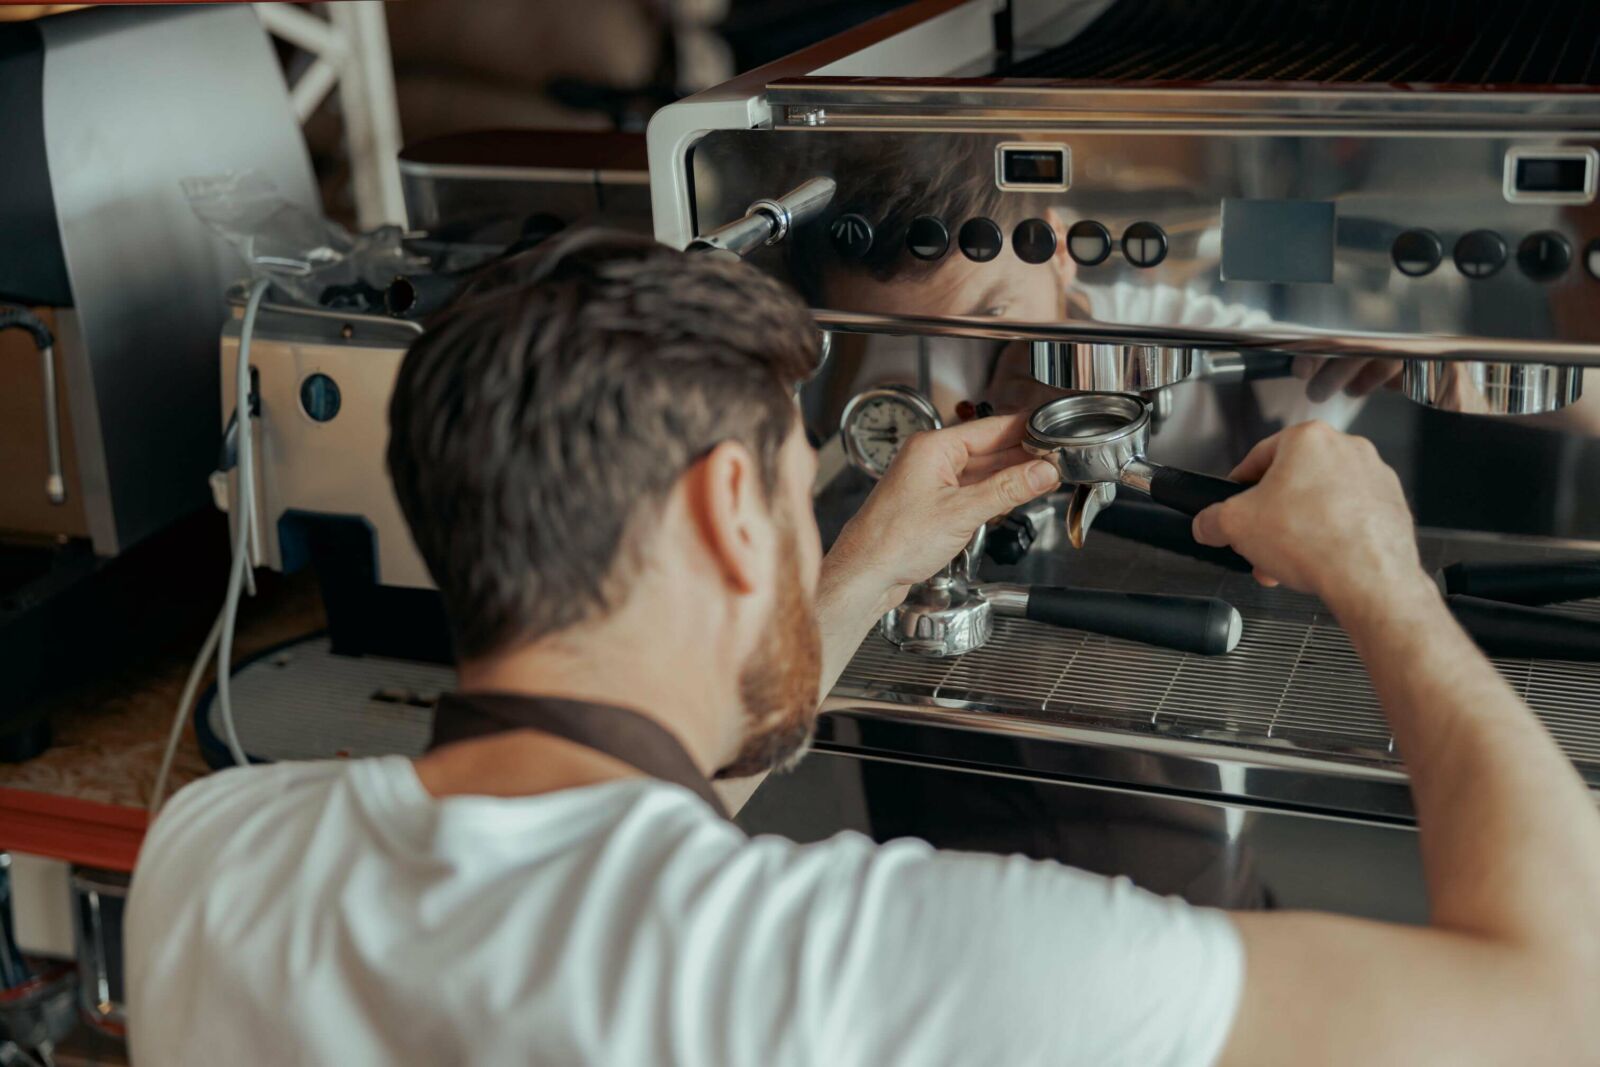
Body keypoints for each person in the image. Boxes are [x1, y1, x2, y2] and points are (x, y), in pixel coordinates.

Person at [126, 231, 1600, 1065]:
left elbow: (596, 852)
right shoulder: (905, 965)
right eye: (790, 476)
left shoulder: (208, 859)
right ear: (723, 512)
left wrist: (850, 571)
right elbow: (1553, 997)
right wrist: (1382, 581)